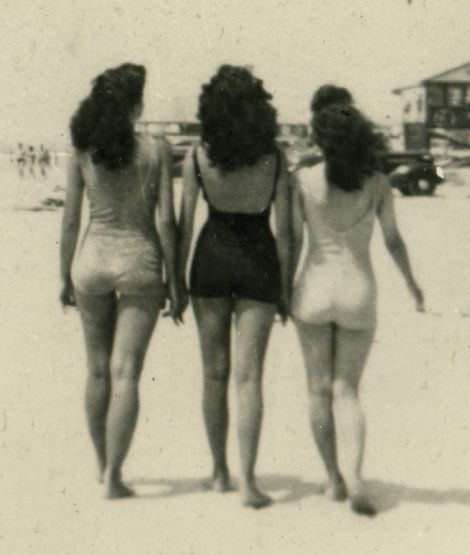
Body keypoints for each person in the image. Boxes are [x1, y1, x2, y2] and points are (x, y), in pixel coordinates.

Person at [290, 103, 425, 516]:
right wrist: (413, 285)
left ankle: (332, 480)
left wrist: (282, 289)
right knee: (346, 391)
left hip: (313, 286)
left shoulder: (303, 180)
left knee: (317, 390)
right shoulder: (378, 183)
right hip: (358, 289)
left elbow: (293, 242)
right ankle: (355, 476)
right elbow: (393, 241)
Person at [59, 63, 181, 499]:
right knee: (125, 372)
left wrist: (63, 275)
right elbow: (167, 221)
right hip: (140, 262)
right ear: (137, 104)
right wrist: (177, 280)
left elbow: (72, 220)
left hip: (90, 261)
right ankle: (114, 475)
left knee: (95, 371)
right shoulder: (157, 150)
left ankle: (100, 462)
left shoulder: (84, 150)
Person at [177, 65, 290, 509]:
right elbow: (287, 229)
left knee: (213, 373)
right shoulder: (275, 156)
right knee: (249, 378)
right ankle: (248, 482)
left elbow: (185, 224)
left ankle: (219, 472)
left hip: (210, 259)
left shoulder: (197, 155)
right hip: (259, 259)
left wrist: (176, 279)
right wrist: (283, 287)